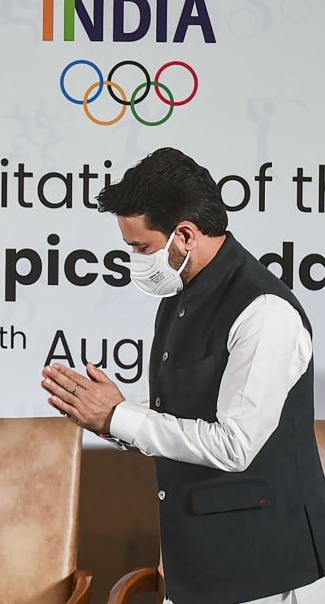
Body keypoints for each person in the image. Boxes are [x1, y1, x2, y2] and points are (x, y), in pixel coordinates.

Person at [41, 147, 325, 604]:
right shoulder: (181, 293)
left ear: (186, 235)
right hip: (199, 561)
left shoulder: (265, 312)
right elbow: (182, 419)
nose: (134, 259)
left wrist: (119, 418)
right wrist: (113, 418)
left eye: (141, 248)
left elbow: (234, 445)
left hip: (262, 567)